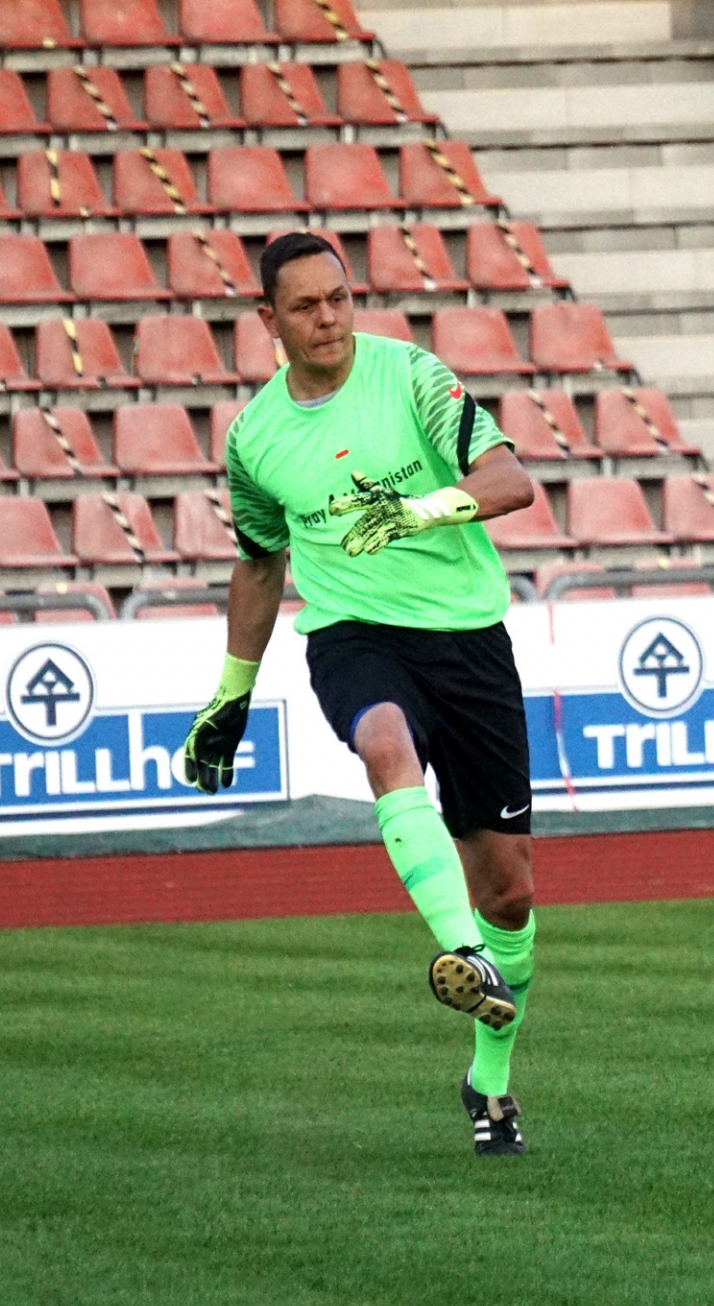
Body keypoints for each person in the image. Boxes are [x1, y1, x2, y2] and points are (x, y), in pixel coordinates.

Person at [181, 232, 542, 1157]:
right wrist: (231, 693)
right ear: (269, 319)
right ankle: (462, 952)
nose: (328, 318)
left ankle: (489, 1077)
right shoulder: (255, 438)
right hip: (354, 635)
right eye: (305, 306)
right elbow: (261, 564)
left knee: (509, 892)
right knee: (385, 743)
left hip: (467, 639)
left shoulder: (412, 376)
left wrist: (418, 510)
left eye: (338, 298)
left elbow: (512, 482)